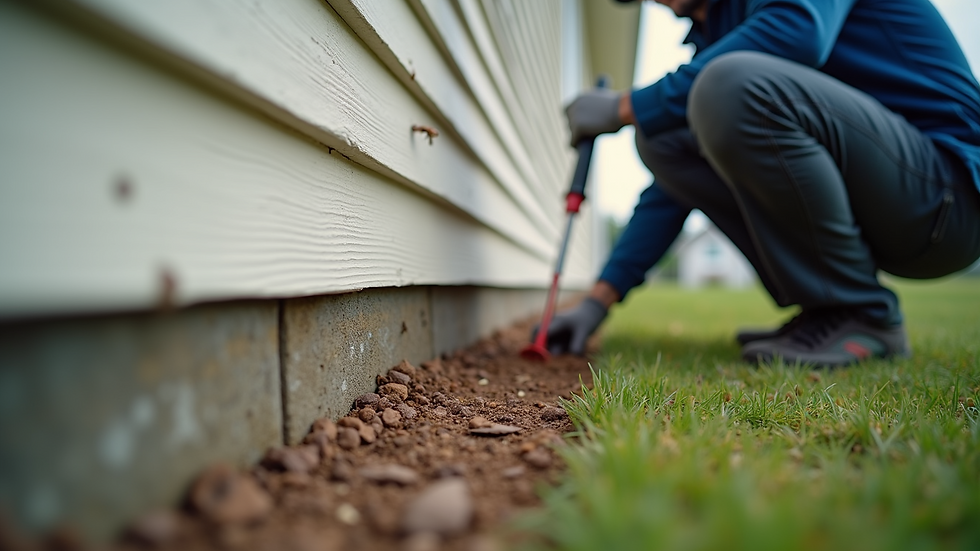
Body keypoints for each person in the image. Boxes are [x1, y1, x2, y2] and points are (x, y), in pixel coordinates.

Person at [546, 0, 980, 367]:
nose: (671, 7)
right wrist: (597, 299)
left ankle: (864, 316)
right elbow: (672, 191)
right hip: (885, 197)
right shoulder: (717, 27)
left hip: (948, 192)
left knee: (726, 84)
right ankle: (830, 310)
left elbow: (799, 31)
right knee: (664, 134)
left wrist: (626, 105)